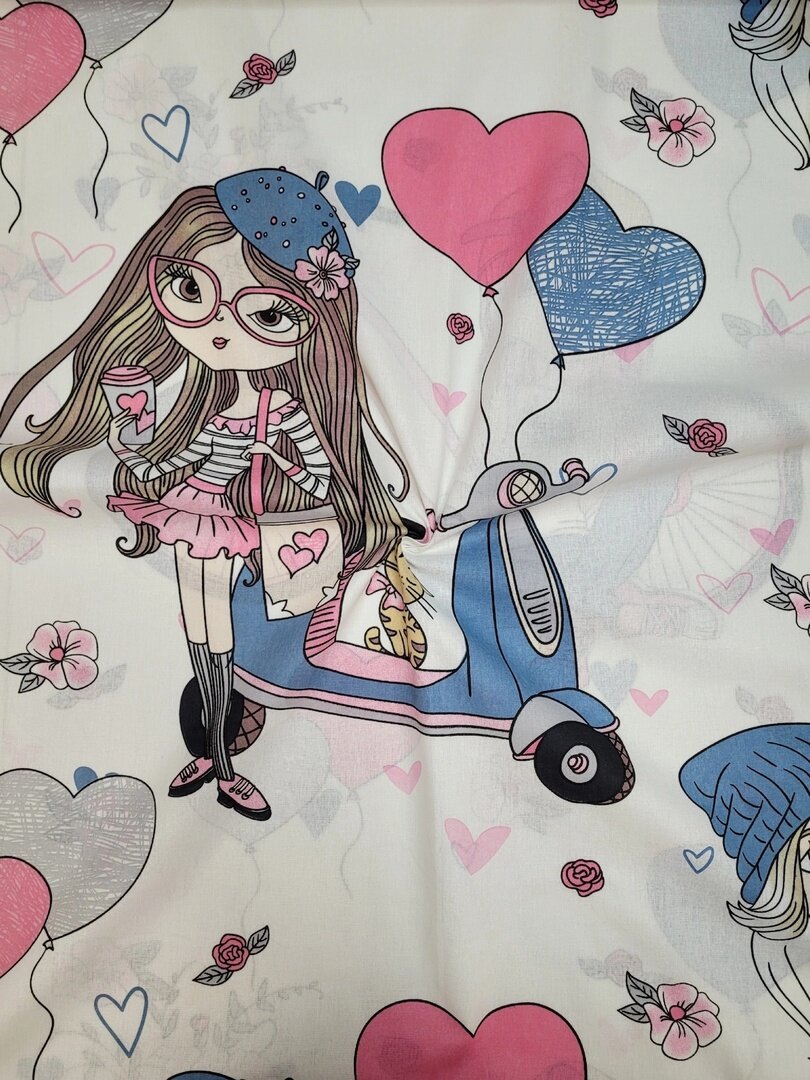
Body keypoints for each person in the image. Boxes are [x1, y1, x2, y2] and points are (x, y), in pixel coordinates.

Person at [0, 168, 409, 821]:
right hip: (190, 511)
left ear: (312, 324)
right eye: (191, 288)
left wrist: (277, 457)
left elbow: (319, 479)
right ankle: (216, 754)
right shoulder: (214, 411)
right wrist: (130, 440)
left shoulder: (285, 411)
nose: (219, 328)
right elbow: (175, 462)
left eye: (267, 314)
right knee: (202, 635)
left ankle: (222, 759)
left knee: (218, 635)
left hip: (233, 525)